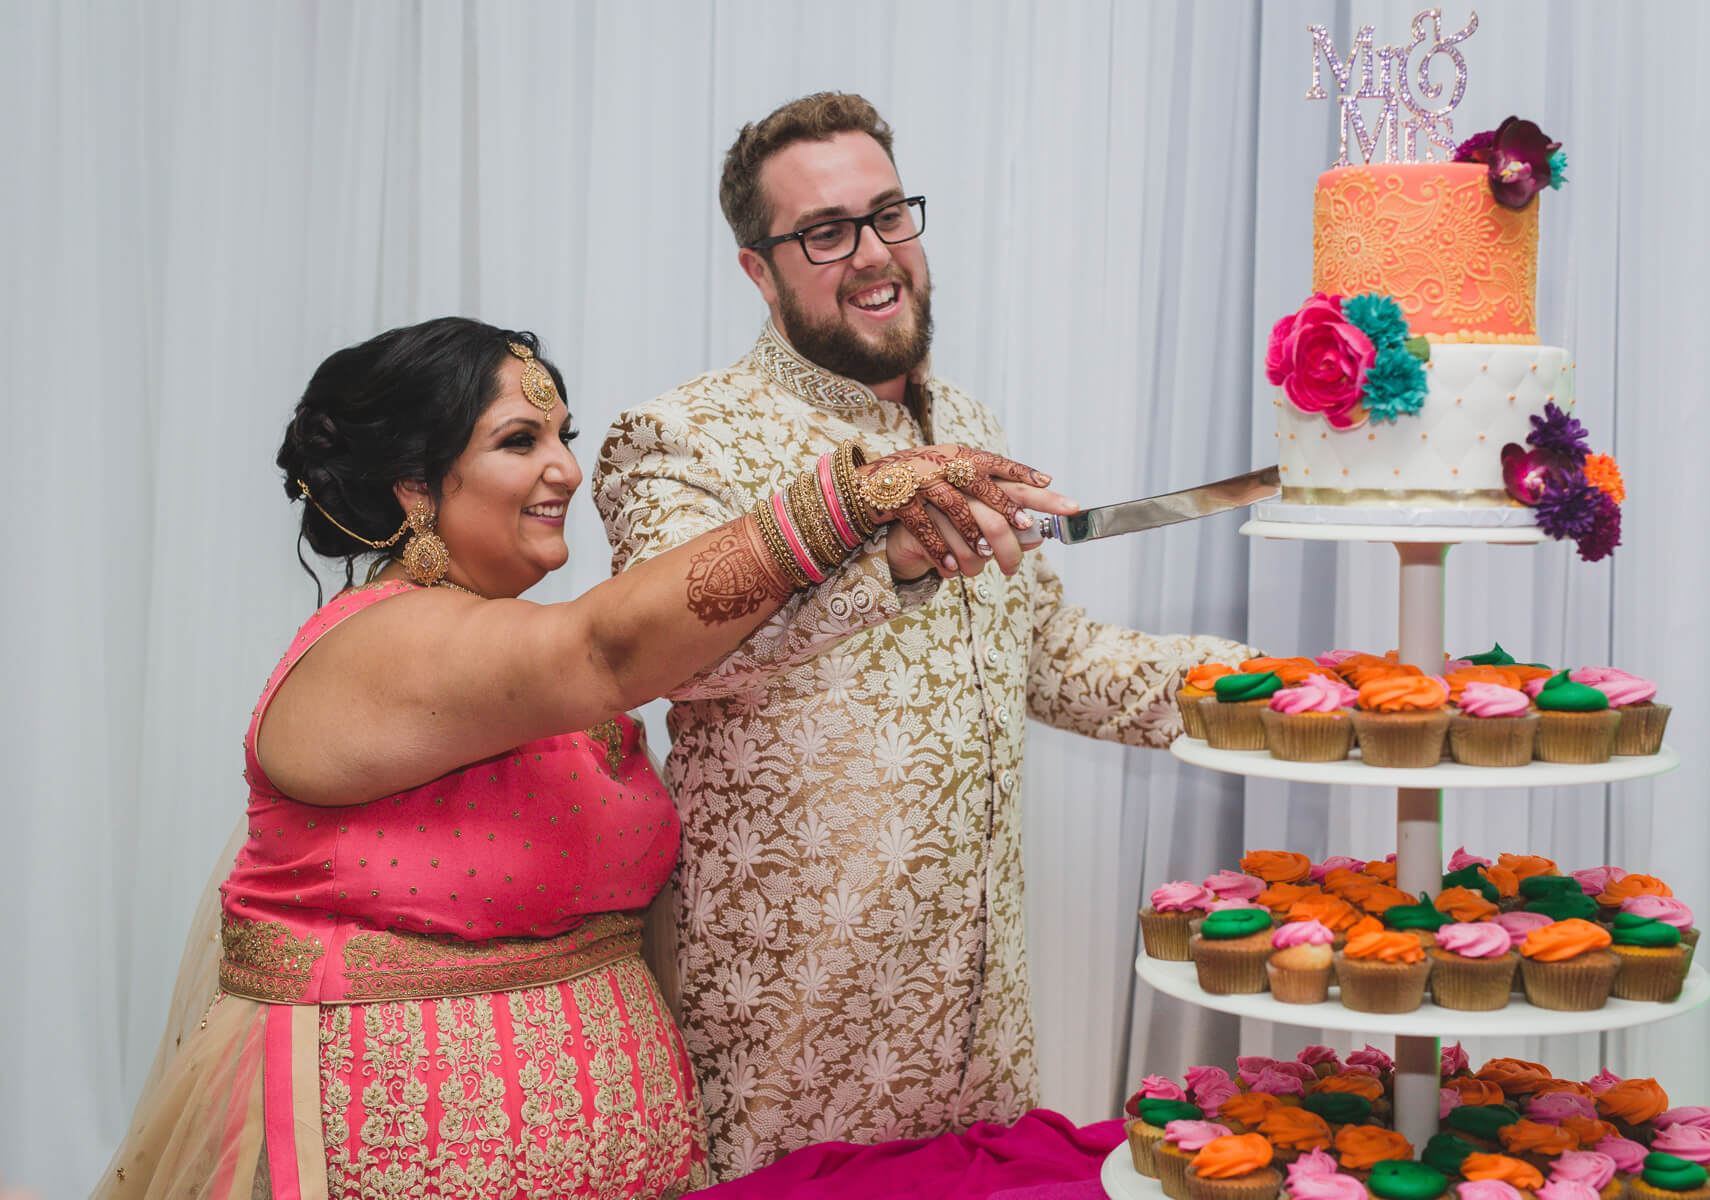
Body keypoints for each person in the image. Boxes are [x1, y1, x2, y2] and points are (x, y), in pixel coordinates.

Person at [94, 317, 1059, 1200]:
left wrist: (885, 560)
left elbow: (675, 655)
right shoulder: (378, 646)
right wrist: (834, 503)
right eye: (521, 442)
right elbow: (610, 649)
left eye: (562, 436)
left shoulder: (512, 655)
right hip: (386, 1153)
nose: (565, 469)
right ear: (416, 488)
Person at [590, 92, 1255, 1179]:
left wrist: (1276, 689)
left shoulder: (971, 427)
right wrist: (883, 562)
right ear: (758, 270)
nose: (870, 254)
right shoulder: (681, 437)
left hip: (982, 1062)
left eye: (889, 214)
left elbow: (1047, 654)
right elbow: (678, 660)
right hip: (791, 1069)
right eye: (824, 232)